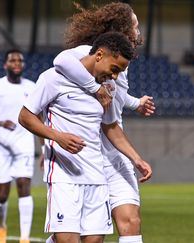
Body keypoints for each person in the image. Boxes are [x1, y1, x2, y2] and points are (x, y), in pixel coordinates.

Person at [18, 32, 152, 243]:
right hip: (64, 175)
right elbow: (25, 116)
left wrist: (137, 159)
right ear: (99, 55)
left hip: (97, 176)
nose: (115, 76)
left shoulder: (108, 88)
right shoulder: (54, 78)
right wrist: (57, 137)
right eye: (114, 69)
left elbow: (111, 128)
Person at [46, 3, 155, 243]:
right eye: (135, 26)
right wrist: (95, 88)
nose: (138, 31)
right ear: (122, 28)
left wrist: (136, 103)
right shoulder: (90, 55)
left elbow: (116, 96)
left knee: (131, 221)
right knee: (84, 237)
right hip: (86, 156)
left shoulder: (119, 67)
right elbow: (61, 60)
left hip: (115, 155)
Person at [0, 49, 37, 243]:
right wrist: (1, 123)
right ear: (5, 65)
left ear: (23, 65)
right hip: (2, 146)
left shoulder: (32, 87)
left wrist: (46, 147)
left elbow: (39, 119)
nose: (16, 63)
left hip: (24, 144)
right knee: (3, 194)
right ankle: (1, 227)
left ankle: (24, 238)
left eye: (20, 60)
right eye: (12, 60)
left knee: (24, 186)